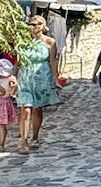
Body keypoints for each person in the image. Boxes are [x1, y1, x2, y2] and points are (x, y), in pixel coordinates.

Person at [15, 14, 64, 153]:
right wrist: (12, 76)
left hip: (42, 77)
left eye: (38, 24)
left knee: (37, 109)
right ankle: (23, 142)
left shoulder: (49, 42)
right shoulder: (23, 42)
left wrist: (56, 79)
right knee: (25, 109)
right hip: (25, 77)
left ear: (43, 26)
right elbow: (17, 61)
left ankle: (35, 137)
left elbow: (53, 61)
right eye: (32, 24)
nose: (35, 27)